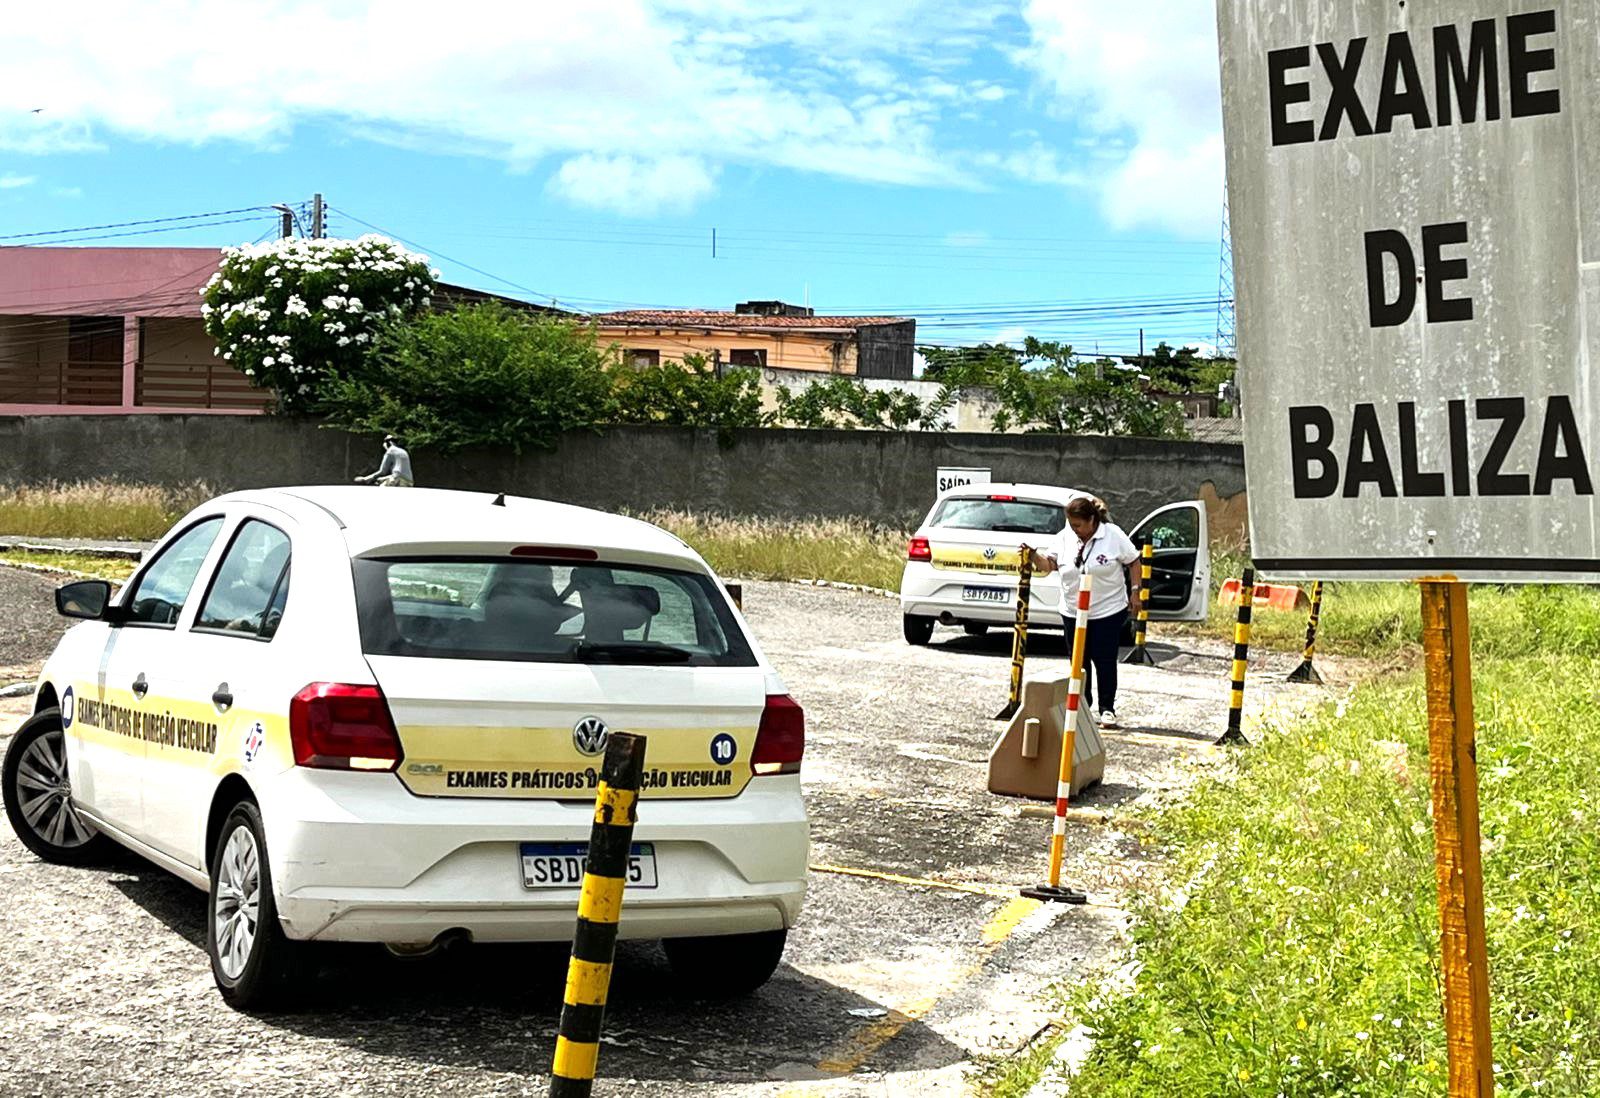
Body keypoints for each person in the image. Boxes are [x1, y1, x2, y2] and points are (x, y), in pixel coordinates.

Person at [1026, 496, 1141, 728]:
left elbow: (1134, 561)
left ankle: (1107, 708)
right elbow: (1049, 566)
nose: (1075, 530)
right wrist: (1032, 556)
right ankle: (1082, 704)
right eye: (1072, 525)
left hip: (1107, 609)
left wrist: (1136, 591)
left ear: (1091, 520)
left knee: (1104, 658)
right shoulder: (1064, 538)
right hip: (1072, 610)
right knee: (1078, 660)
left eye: (1079, 525)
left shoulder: (1112, 535)